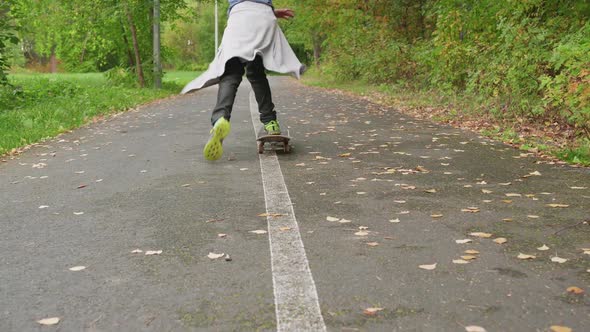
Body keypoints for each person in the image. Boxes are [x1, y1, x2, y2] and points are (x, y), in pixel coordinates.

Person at [181, 0, 305, 161]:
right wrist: (270, 11)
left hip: (239, 17)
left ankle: (220, 118)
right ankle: (270, 122)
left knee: (230, 74)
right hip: (264, 17)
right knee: (256, 73)